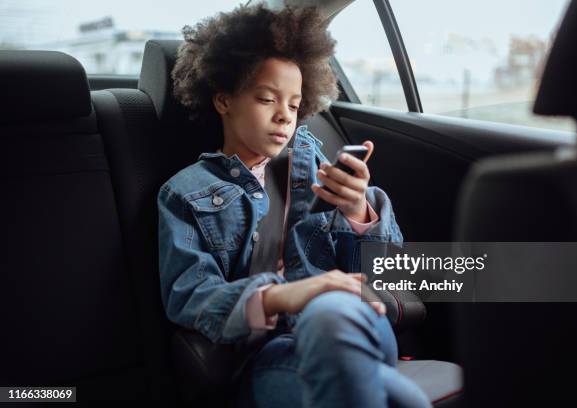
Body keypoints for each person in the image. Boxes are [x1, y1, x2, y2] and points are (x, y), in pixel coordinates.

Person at [157, 4, 431, 408]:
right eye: (267, 99)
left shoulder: (316, 168)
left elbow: (388, 279)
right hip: (274, 352)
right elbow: (189, 295)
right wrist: (286, 295)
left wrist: (357, 212)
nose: (284, 116)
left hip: (357, 326)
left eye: (294, 104)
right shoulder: (185, 193)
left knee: (335, 312)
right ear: (223, 100)